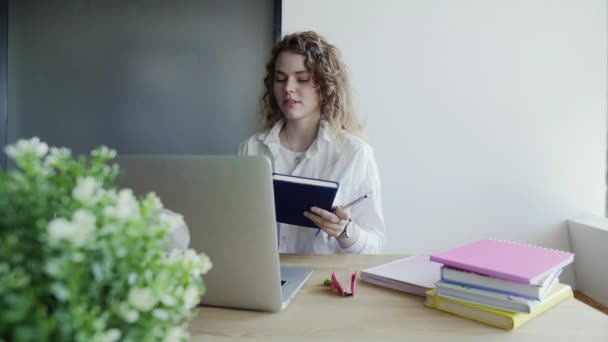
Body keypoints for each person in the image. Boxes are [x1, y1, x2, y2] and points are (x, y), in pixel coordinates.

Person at [239, 31, 385, 254]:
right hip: (263, 281)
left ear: (326, 87)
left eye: (302, 79)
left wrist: (345, 231)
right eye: (280, 78)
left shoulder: (355, 154)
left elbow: (374, 247)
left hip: (323, 286)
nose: (288, 87)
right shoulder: (251, 149)